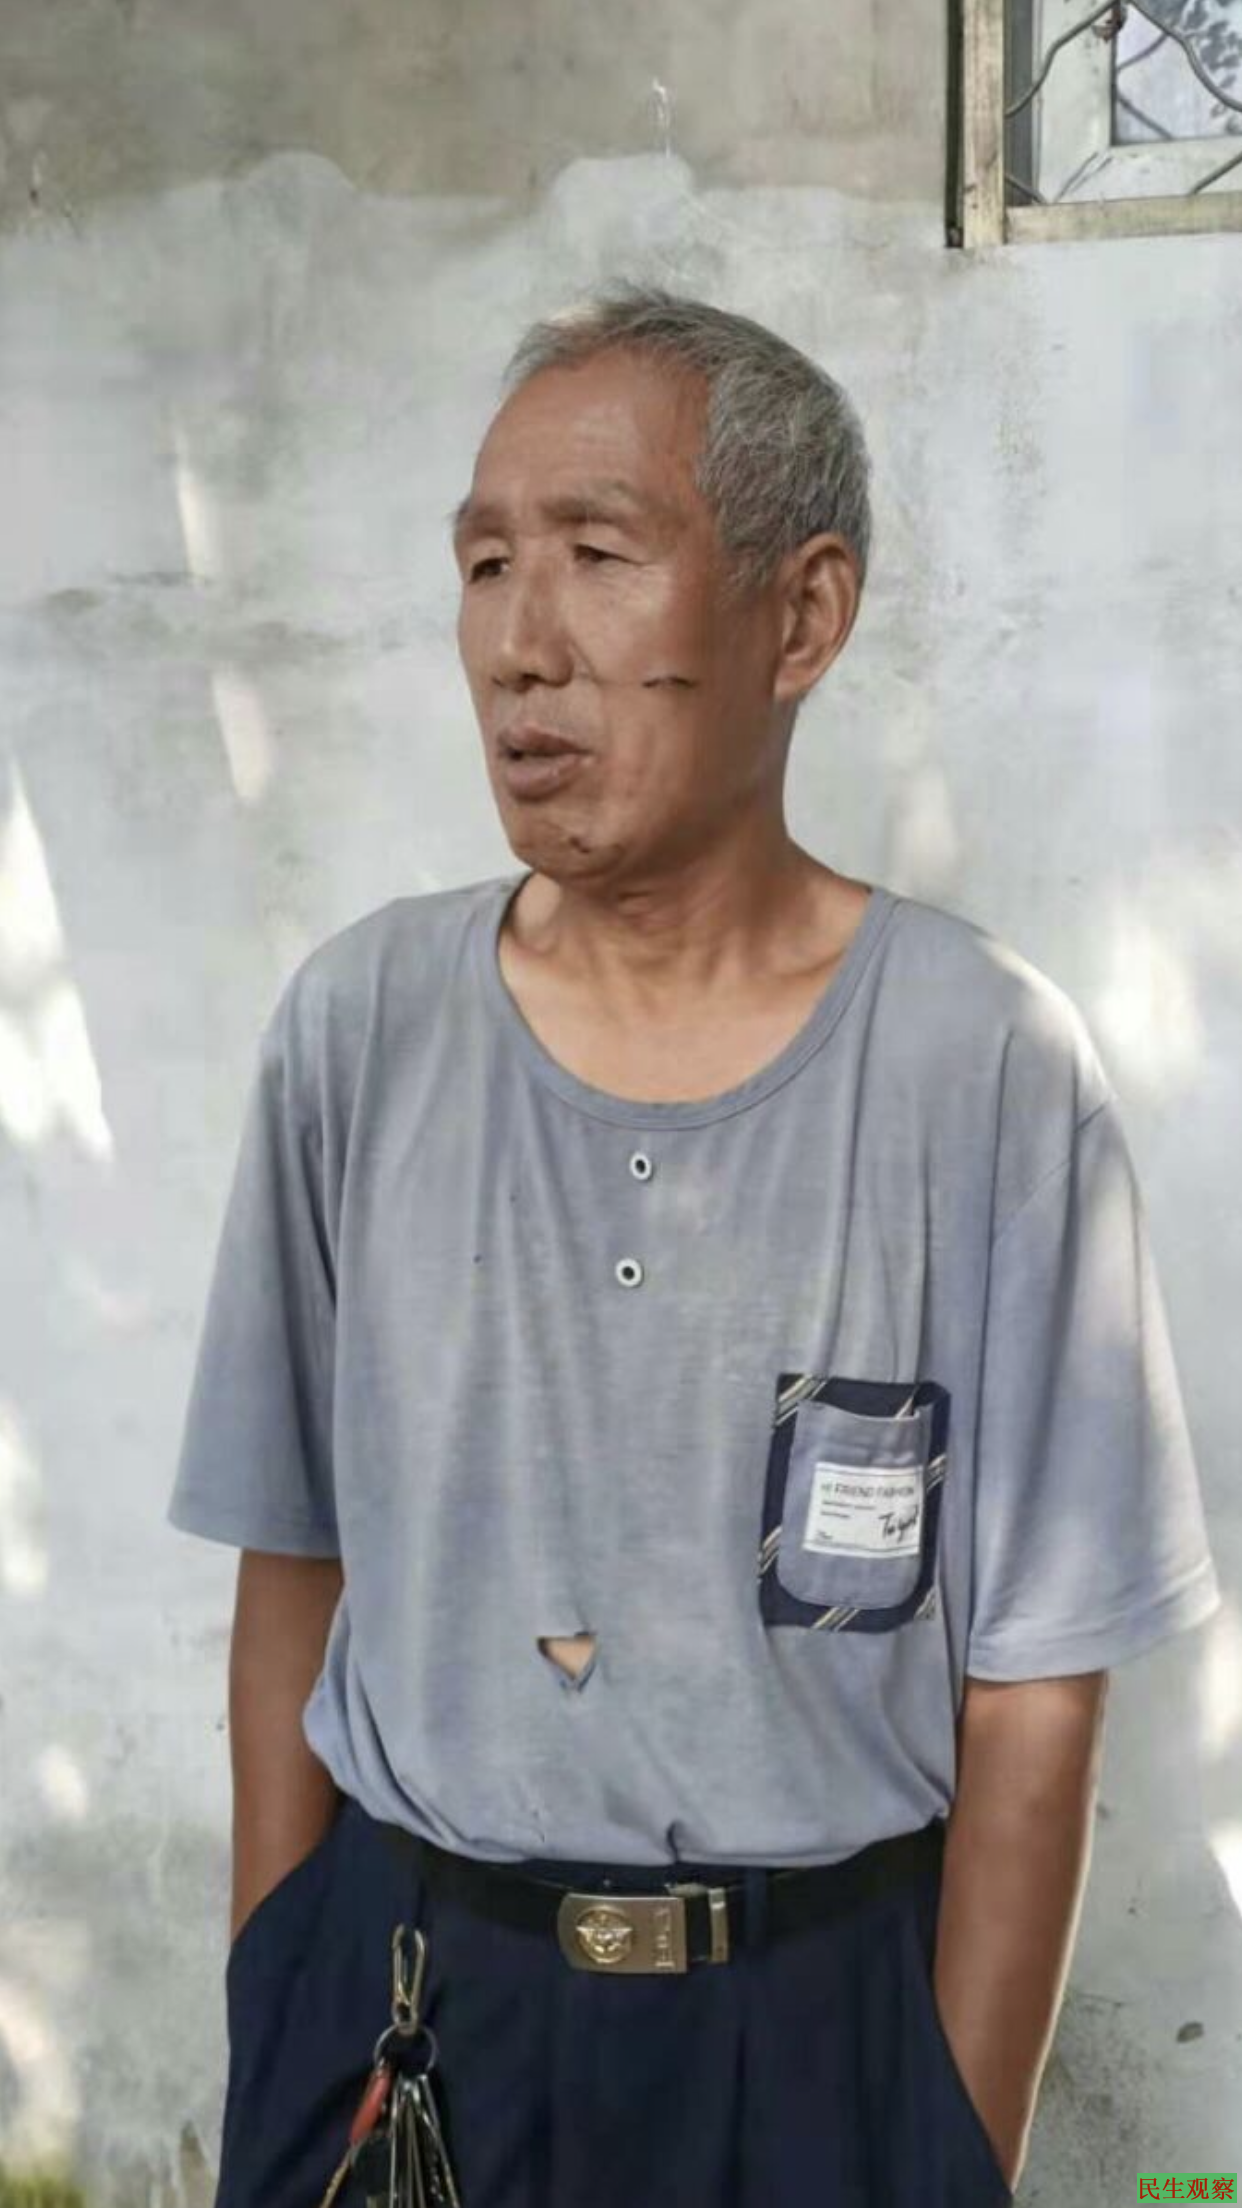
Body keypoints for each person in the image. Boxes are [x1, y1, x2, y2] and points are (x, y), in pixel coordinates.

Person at [166, 282, 1221, 2208]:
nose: (520, 643)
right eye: (484, 565)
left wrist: (940, 2150)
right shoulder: (363, 1032)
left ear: (798, 617)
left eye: (594, 554)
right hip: (409, 2007)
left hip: (813, 2036)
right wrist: (278, 2001)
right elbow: (291, 1560)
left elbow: (1034, 1692)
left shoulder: (979, 1067)